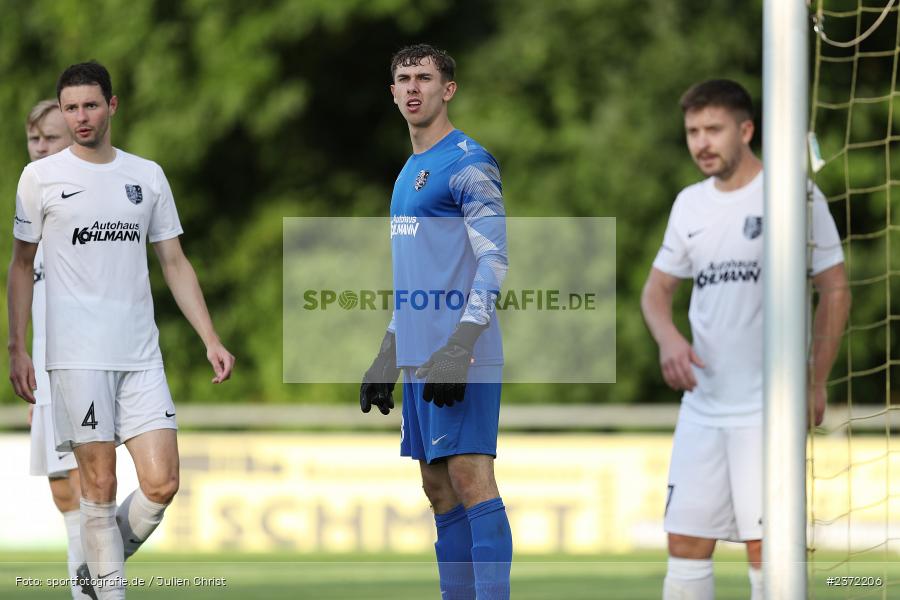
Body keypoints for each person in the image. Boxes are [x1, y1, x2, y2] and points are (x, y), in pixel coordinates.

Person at [8, 61, 235, 600]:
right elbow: (20, 266)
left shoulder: (146, 175)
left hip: (141, 354)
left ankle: (95, 564)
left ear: (112, 106)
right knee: (100, 486)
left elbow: (175, 262)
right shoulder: (39, 178)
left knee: (162, 484)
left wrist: (210, 337)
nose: (80, 117)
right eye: (70, 107)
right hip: (77, 356)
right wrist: (17, 347)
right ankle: (106, 591)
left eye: (90, 105)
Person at [640, 79, 850, 600]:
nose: (701, 143)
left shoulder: (792, 194)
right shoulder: (689, 204)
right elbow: (655, 291)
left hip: (768, 410)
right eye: (692, 131)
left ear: (746, 130)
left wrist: (814, 381)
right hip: (703, 407)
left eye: (714, 129)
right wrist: (669, 340)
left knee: (769, 552)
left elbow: (836, 289)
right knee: (685, 544)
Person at [359, 44, 512, 600]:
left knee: (471, 478)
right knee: (437, 487)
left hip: (462, 352)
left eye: (425, 77)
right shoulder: (408, 172)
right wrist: (387, 352)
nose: (413, 87)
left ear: (449, 89)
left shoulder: (468, 161)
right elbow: (416, 276)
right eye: (403, 78)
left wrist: (462, 342)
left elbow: (494, 259)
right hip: (419, 354)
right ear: (393, 91)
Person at [24, 99, 97, 600]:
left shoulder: (89, 198)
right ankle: (85, 587)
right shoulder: (29, 204)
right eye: (36, 140)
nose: (43, 147)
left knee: (90, 487)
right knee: (62, 489)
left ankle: (98, 579)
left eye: (52, 138)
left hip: (85, 365)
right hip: (44, 368)